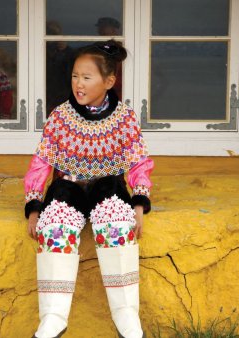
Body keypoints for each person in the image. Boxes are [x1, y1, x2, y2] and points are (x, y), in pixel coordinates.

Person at [24, 39, 154, 338]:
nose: (78, 84)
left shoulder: (125, 119)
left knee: (116, 221)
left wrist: (138, 202)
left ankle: (126, 316)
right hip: (67, 188)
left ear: (109, 81)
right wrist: (34, 208)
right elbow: (41, 164)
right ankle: (53, 318)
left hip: (107, 188)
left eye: (86, 77)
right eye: (74, 76)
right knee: (55, 223)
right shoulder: (60, 117)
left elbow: (138, 163)